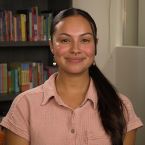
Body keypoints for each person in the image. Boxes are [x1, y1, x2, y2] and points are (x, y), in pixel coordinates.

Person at [0, 8, 143, 145]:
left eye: (85, 40)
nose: (75, 49)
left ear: (95, 45)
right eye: (65, 40)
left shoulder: (121, 107)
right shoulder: (24, 105)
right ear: (51, 46)